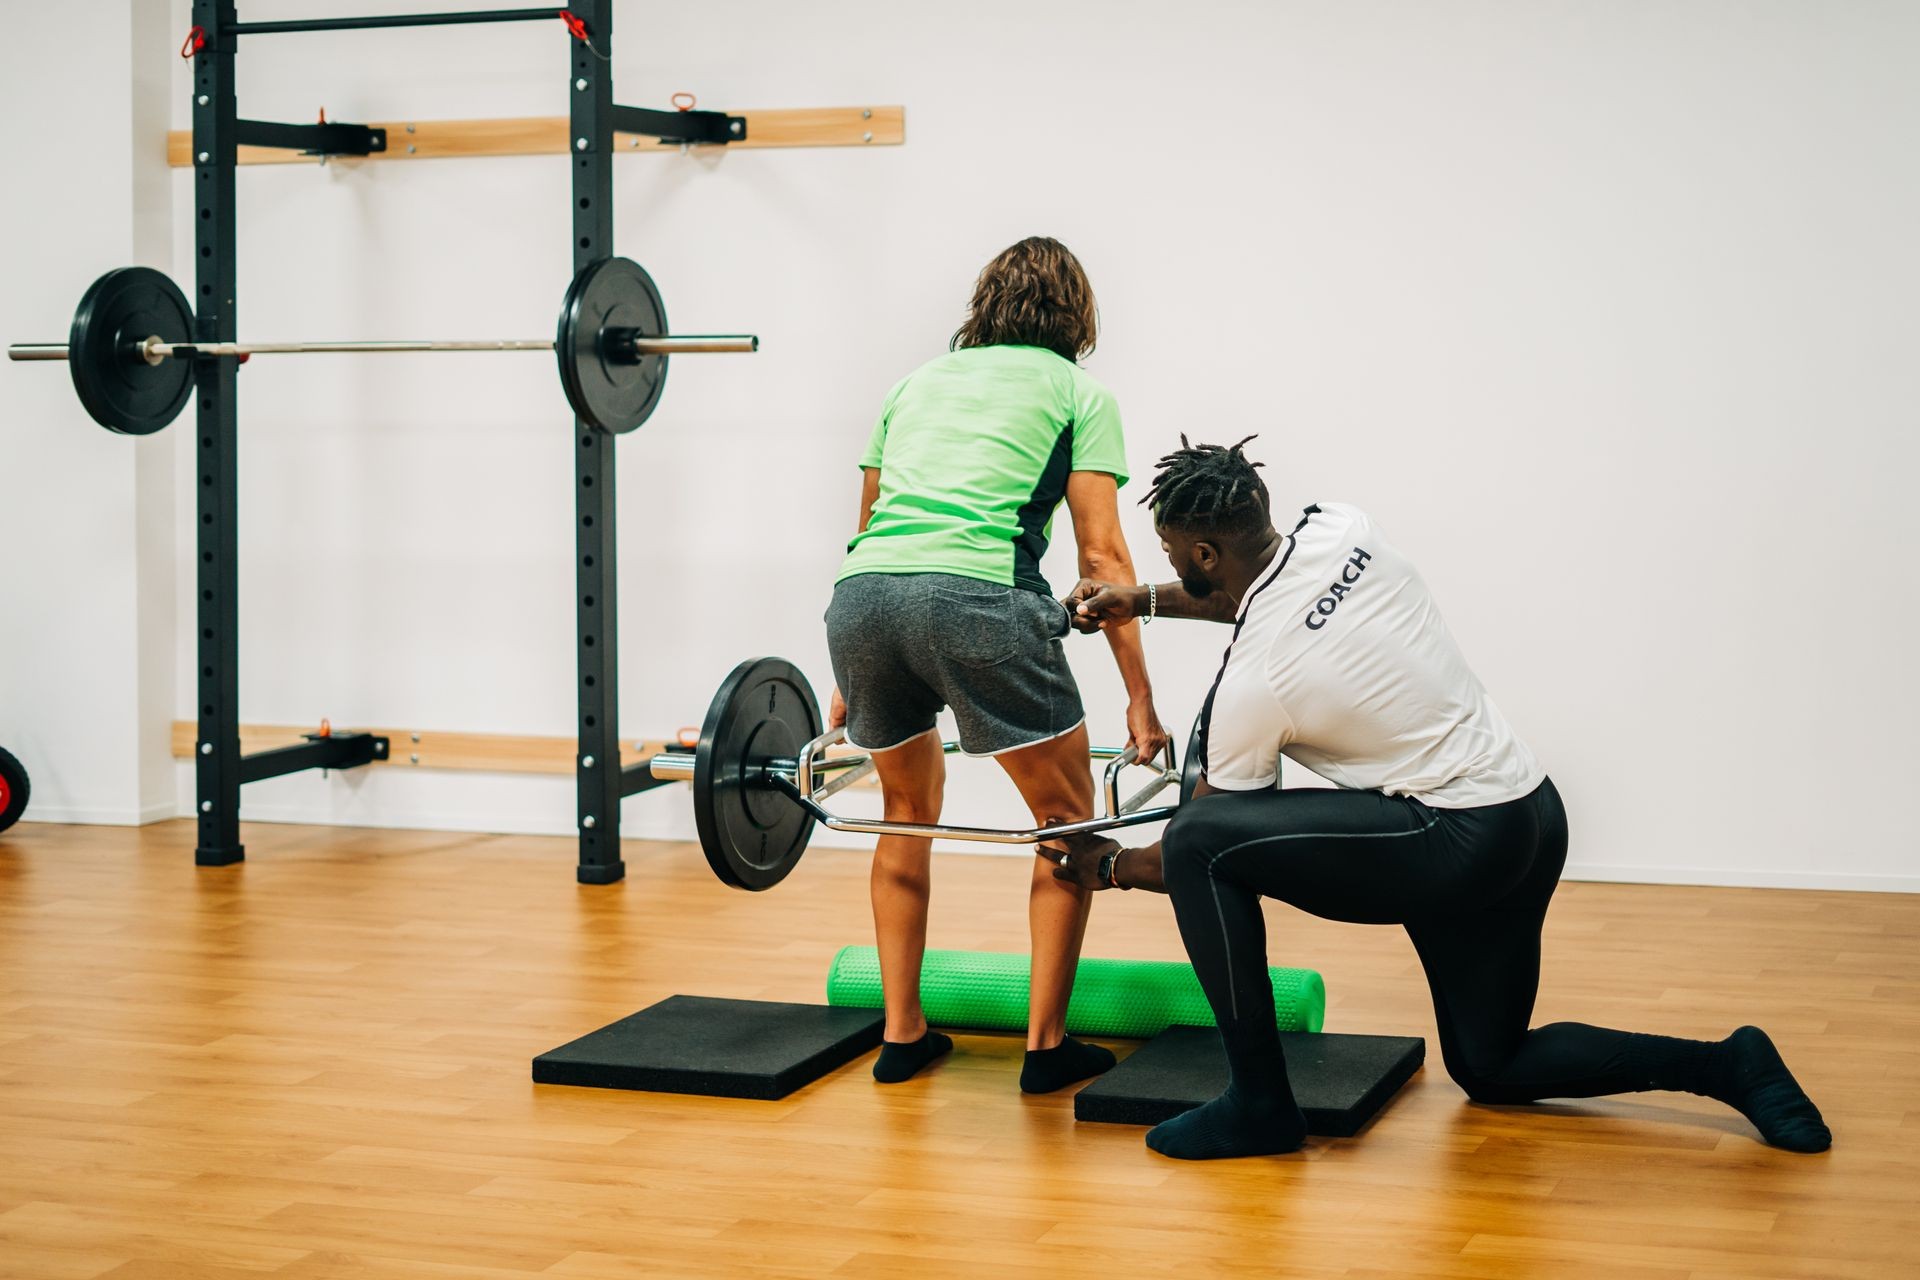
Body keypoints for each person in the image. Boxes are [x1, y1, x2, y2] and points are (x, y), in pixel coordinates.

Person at [1056, 436, 1830, 1158]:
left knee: (1199, 840)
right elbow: (1261, 595)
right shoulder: (1342, 528)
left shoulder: (1257, 684)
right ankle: (1730, 1065)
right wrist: (1144, 599)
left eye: (1170, 556)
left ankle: (1259, 1104)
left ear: (1201, 550)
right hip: (1529, 812)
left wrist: (1112, 866)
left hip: (1451, 843)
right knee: (1492, 1065)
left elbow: (1203, 842)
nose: (1168, 565)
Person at [825, 236, 1169, 1092]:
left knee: (906, 811)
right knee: (1067, 823)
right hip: (978, 600)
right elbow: (1102, 556)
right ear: (1078, 318)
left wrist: (849, 672)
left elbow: (873, 534)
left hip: (862, 604)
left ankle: (903, 1038)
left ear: (984, 305)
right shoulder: (1079, 392)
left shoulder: (913, 384)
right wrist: (1141, 700)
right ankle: (1045, 1051)